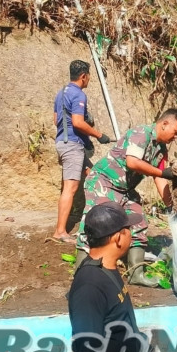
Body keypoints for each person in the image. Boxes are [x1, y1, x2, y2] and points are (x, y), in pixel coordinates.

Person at [75, 109, 177, 286]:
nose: (175, 137)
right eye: (175, 132)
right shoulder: (141, 133)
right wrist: (162, 172)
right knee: (96, 224)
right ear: (164, 124)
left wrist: (170, 207)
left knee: (138, 221)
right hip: (103, 181)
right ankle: (81, 276)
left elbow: (160, 178)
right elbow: (132, 162)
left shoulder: (161, 149)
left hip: (125, 189)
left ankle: (136, 274)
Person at [69, 202, 151, 352]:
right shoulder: (90, 285)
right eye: (128, 230)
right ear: (118, 238)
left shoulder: (107, 270)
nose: (132, 235)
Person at [51, 60, 113, 244]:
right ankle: (60, 232)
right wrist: (99, 135)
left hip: (64, 143)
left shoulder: (60, 93)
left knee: (93, 177)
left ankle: (96, 220)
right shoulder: (78, 94)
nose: (89, 80)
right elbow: (77, 123)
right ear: (83, 76)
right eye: (89, 76)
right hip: (72, 145)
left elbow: (57, 121)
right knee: (71, 188)